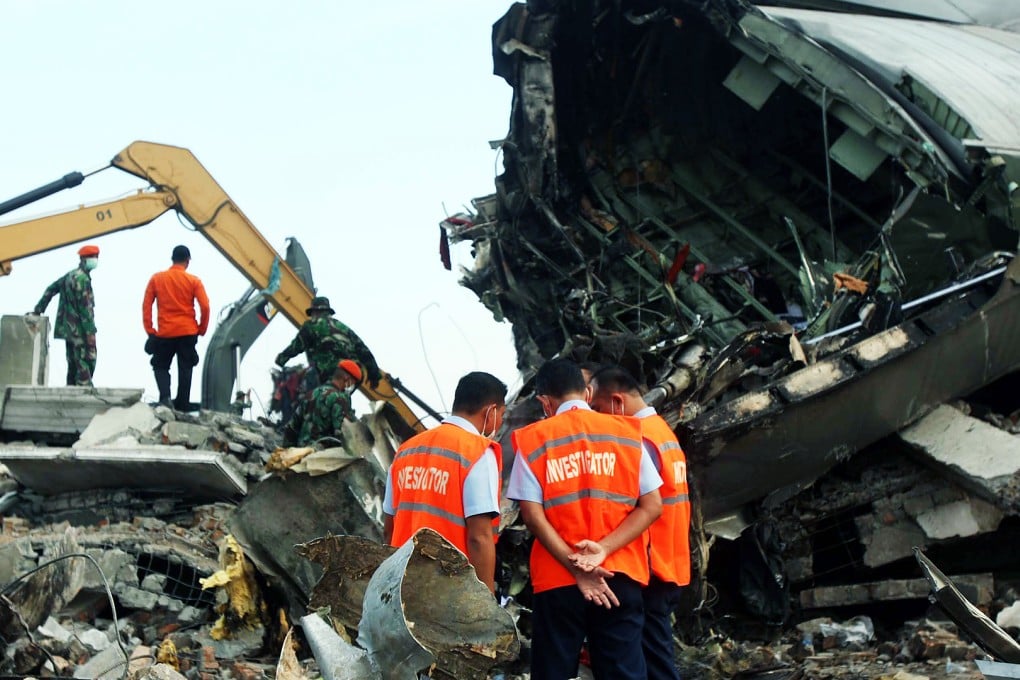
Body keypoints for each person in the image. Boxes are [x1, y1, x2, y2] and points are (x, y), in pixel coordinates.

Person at [506, 358, 662, 680]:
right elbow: (652, 506)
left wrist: (576, 566)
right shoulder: (628, 435)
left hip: (558, 580)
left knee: (553, 672)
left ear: (544, 402)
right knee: (624, 672)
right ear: (588, 393)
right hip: (619, 574)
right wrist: (602, 551)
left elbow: (532, 517)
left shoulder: (535, 439)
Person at [589, 365, 691, 680]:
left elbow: (640, 508)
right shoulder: (663, 433)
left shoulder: (639, 439)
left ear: (617, 403)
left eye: (597, 409)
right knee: (657, 659)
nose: (597, 417)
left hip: (650, 570)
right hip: (671, 563)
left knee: (655, 666)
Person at [383, 371, 507, 593]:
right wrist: (486, 602)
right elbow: (479, 537)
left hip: (402, 585)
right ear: (490, 411)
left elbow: (389, 529)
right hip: (448, 588)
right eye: (501, 414)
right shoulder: (477, 452)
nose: (501, 422)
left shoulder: (405, 451)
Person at [142, 245, 210, 410]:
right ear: (187, 261)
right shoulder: (194, 281)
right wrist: (202, 329)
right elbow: (205, 306)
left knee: (160, 365)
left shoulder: (157, 279)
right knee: (186, 367)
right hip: (188, 332)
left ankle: (165, 398)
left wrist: (150, 331)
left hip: (165, 333)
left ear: (172, 259)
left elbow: (146, 305)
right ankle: (182, 402)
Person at [275, 296, 382, 389]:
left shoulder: (311, 325)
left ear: (314, 312)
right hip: (353, 374)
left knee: (310, 394)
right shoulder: (343, 328)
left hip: (330, 373)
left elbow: (296, 346)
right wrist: (374, 376)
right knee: (340, 398)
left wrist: (281, 359)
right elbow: (364, 351)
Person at [32, 244, 100, 386]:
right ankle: (84, 387)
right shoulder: (83, 280)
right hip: (80, 329)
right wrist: (89, 332)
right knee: (87, 359)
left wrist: (39, 309)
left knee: (73, 361)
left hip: (67, 329)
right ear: (83, 259)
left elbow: (51, 289)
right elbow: (85, 308)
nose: (95, 260)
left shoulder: (69, 276)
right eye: (93, 257)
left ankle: (71, 387)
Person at [283, 359, 361, 447]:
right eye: (352, 383)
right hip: (322, 457)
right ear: (347, 378)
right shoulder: (340, 399)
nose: (351, 386)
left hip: (301, 452)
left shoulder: (311, 393)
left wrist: (287, 451)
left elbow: (292, 427)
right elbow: (343, 435)